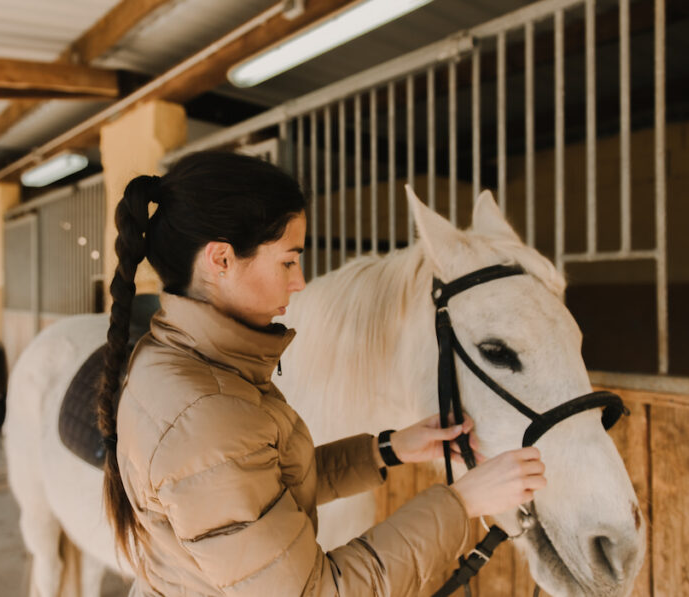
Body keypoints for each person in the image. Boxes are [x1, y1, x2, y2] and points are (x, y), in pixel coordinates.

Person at [96, 151, 546, 596]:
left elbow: (265, 490)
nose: (300, 281)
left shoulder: (191, 361)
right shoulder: (206, 413)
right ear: (221, 261)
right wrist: (463, 502)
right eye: (289, 261)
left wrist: (385, 450)